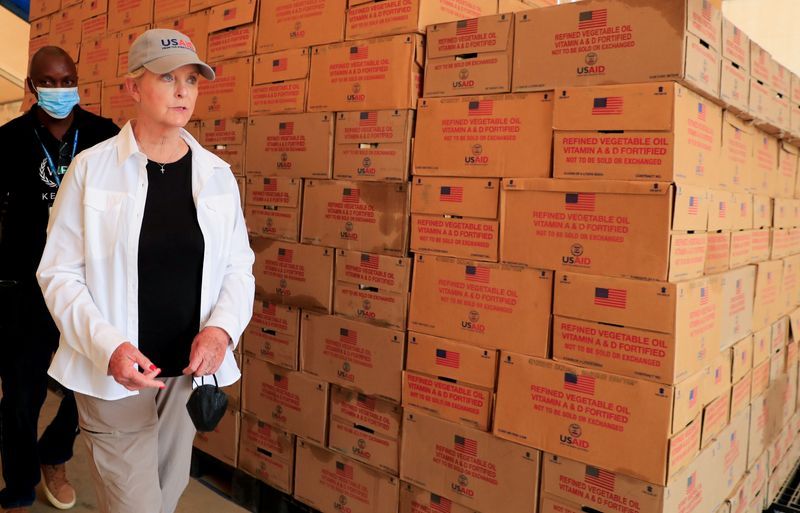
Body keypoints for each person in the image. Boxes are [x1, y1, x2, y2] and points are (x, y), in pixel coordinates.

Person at [36, 29, 254, 513]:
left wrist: (220, 331)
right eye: (167, 78)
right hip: (113, 377)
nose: (182, 92)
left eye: (191, 80)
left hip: (186, 375)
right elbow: (59, 274)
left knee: (165, 496)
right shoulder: (91, 171)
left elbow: (239, 268)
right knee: (136, 506)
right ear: (133, 87)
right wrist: (108, 347)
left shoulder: (216, 176)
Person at [0, 46, 120, 512]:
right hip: (25, 286)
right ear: (32, 86)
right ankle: (20, 483)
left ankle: (54, 452)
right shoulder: (10, 140)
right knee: (19, 395)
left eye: (66, 79)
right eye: (48, 82)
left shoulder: (104, 135)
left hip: (87, 285)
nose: (59, 89)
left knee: (88, 383)